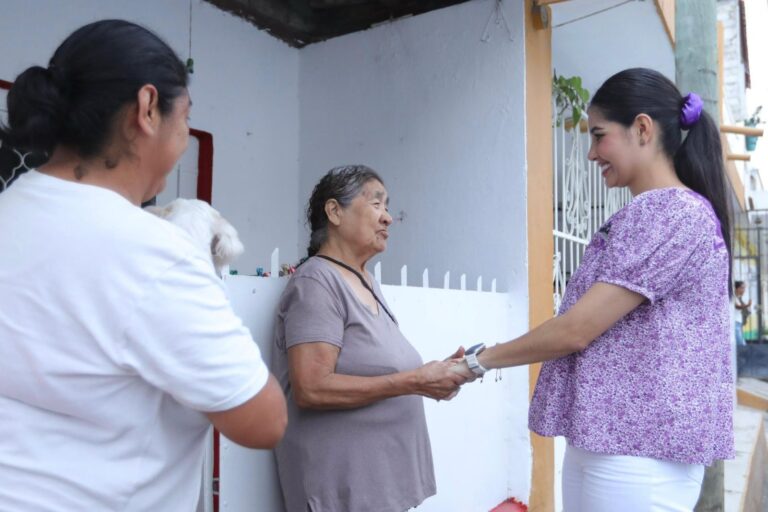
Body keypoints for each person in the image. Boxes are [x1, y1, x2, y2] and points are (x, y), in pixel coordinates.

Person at [0, 20, 286, 511]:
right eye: (186, 118)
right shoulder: (154, 251)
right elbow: (263, 421)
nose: (183, 140)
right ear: (148, 109)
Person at [453, 68, 734, 511]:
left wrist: (476, 362)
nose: (590, 154)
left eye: (599, 135)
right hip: (612, 444)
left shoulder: (674, 213)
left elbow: (576, 330)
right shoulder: (655, 213)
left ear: (642, 128)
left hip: (641, 456)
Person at [271, 165, 467, 512]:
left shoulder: (363, 280)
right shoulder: (316, 283)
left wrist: (433, 376)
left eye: (387, 206)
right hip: (342, 493)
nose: (388, 218)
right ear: (334, 212)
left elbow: (376, 364)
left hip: (378, 487)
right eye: (376, 204)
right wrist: (415, 380)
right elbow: (312, 387)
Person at [734, 280, 751, 345]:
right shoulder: (734, 297)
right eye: (742, 288)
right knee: (741, 343)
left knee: (741, 341)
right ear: (737, 288)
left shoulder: (739, 298)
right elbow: (737, 306)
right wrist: (747, 305)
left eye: (744, 288)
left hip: (739, 322)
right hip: (735, 322)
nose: (744, 290)